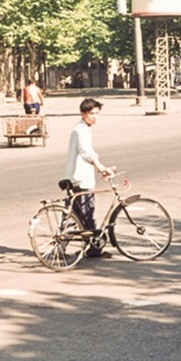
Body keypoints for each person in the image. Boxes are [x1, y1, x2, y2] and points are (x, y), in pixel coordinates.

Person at [65, 98, 114, 258]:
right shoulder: (81, 130)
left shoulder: (82, 128)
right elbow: (86, 153)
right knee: (85, 214)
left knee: (74, 216)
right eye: (91, 113)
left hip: (74, 177)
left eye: (97, 113)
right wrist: (101, 168)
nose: (95, 117)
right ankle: (92, 249)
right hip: (81, 179)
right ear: (83, 114)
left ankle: (92, 248)